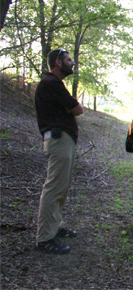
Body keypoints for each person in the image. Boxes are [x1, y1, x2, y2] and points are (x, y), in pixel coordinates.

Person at [34, 48, 84, 254]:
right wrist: (69, 108)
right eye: (68, 60)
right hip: (58, 139)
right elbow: (78, 109)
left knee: (61, 187)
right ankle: (44, 238)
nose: (72, 63)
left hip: (63, 139)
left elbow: (74, 109)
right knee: (54, 187)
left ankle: (53, 226)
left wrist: (68, 108)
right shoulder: (51, 83)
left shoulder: (54, 84)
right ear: (57, 63)